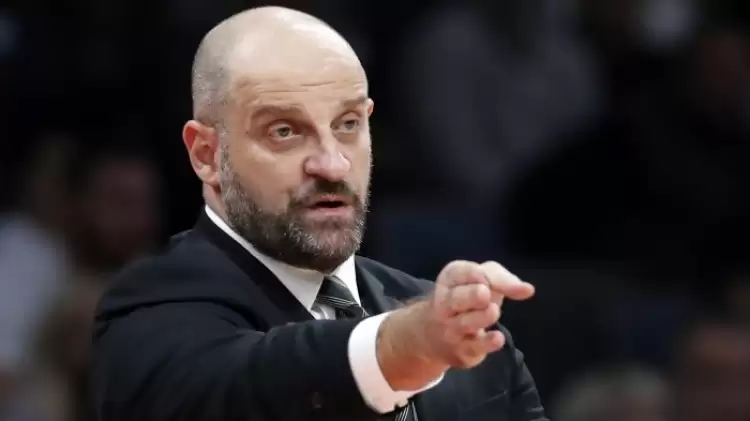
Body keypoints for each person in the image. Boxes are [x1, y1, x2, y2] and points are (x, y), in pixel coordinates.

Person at [89, 6, 547, 421]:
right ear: (207, 154)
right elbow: (250, 383)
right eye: (284, 131)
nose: (332, 164)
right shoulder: (149, 308)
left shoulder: (461, 329)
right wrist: (403, 347)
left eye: (348, 124)